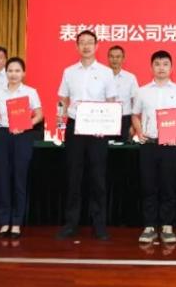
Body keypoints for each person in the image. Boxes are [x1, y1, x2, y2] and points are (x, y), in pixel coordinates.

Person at [56, 30, 118, 241]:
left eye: (90, 42)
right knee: (73, 177)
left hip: (98, 128)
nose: (86, 46)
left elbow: (111, 101)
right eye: (82, 42)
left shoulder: (106, 72)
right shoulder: (69, 72)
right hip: (75, 127)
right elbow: (63, 100)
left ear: (97, 46)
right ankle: (71, 224)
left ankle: (99, 225)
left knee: (98, 178)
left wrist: (106, 126)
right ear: (76, 46)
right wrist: (61, 121)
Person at [132, 50, 176, 244]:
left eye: (165, 64)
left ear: (171, 68)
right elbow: (135, 115)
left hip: (170, 146)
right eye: (157, 64)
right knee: (148, 186)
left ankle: (167, 226)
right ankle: (149, 226)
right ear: (151, 67)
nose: (161, 68)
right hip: (149, 145)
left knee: (168, 186)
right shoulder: (142, 91)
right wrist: (139, 131)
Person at [0, 56, 42, 239]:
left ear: (23, 73)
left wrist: (27, 124)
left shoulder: (30, 92)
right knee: (2, 178)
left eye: (17, 71)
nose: (13, 74)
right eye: (10, 70)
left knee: (19, 178)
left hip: (22, 136)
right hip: (1, 134)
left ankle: (17, 222)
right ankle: (4, 221)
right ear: (6, 72)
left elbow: (39, 114)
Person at [108, 45, 139, 142]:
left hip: (125, 119)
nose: (115, 60)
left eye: (118, 57)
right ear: (108, 58)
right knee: (104, 148)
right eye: (112, 56)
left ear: (123, 58)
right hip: (105, 118)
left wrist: (134, 125)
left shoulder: (130, 78)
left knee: (125, 148)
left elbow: (136, 103)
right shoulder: (101, 76)